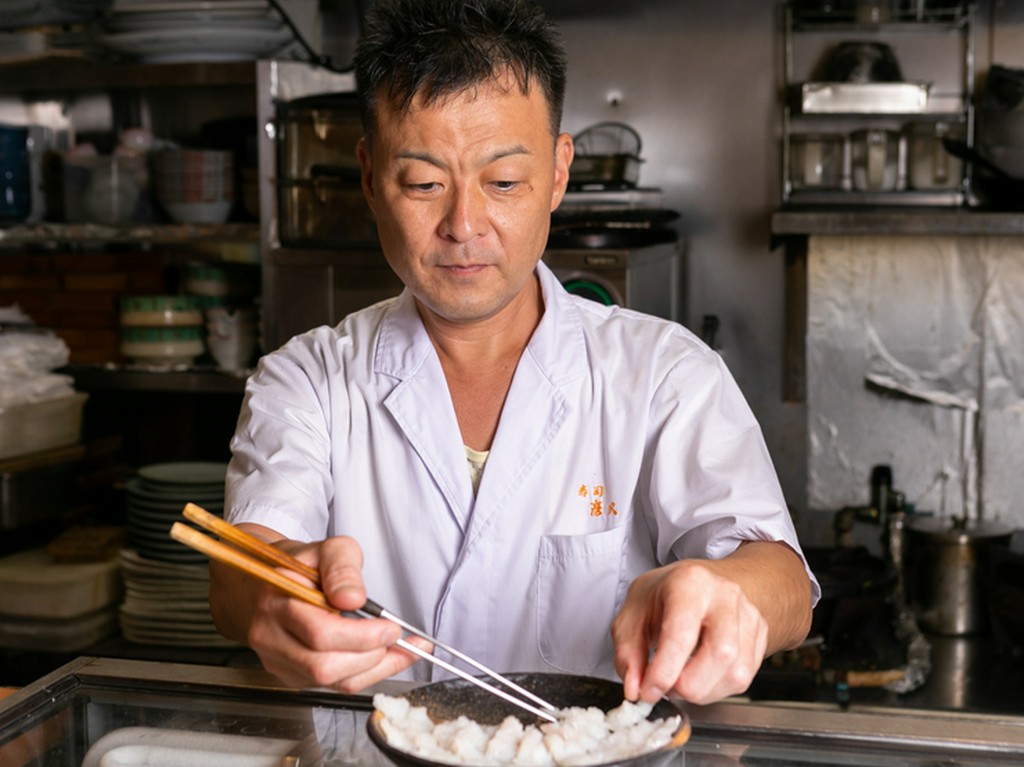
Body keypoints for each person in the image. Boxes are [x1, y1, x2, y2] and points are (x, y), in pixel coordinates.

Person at [210, 0, 818, 707]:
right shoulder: (307, 380)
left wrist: (730, 592)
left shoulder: (662, 374)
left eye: (503, 183)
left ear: (559, 173)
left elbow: (783, 583)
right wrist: (272, 597)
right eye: (423, 183)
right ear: (371, 177)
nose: (463, 225)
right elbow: (237, 573)